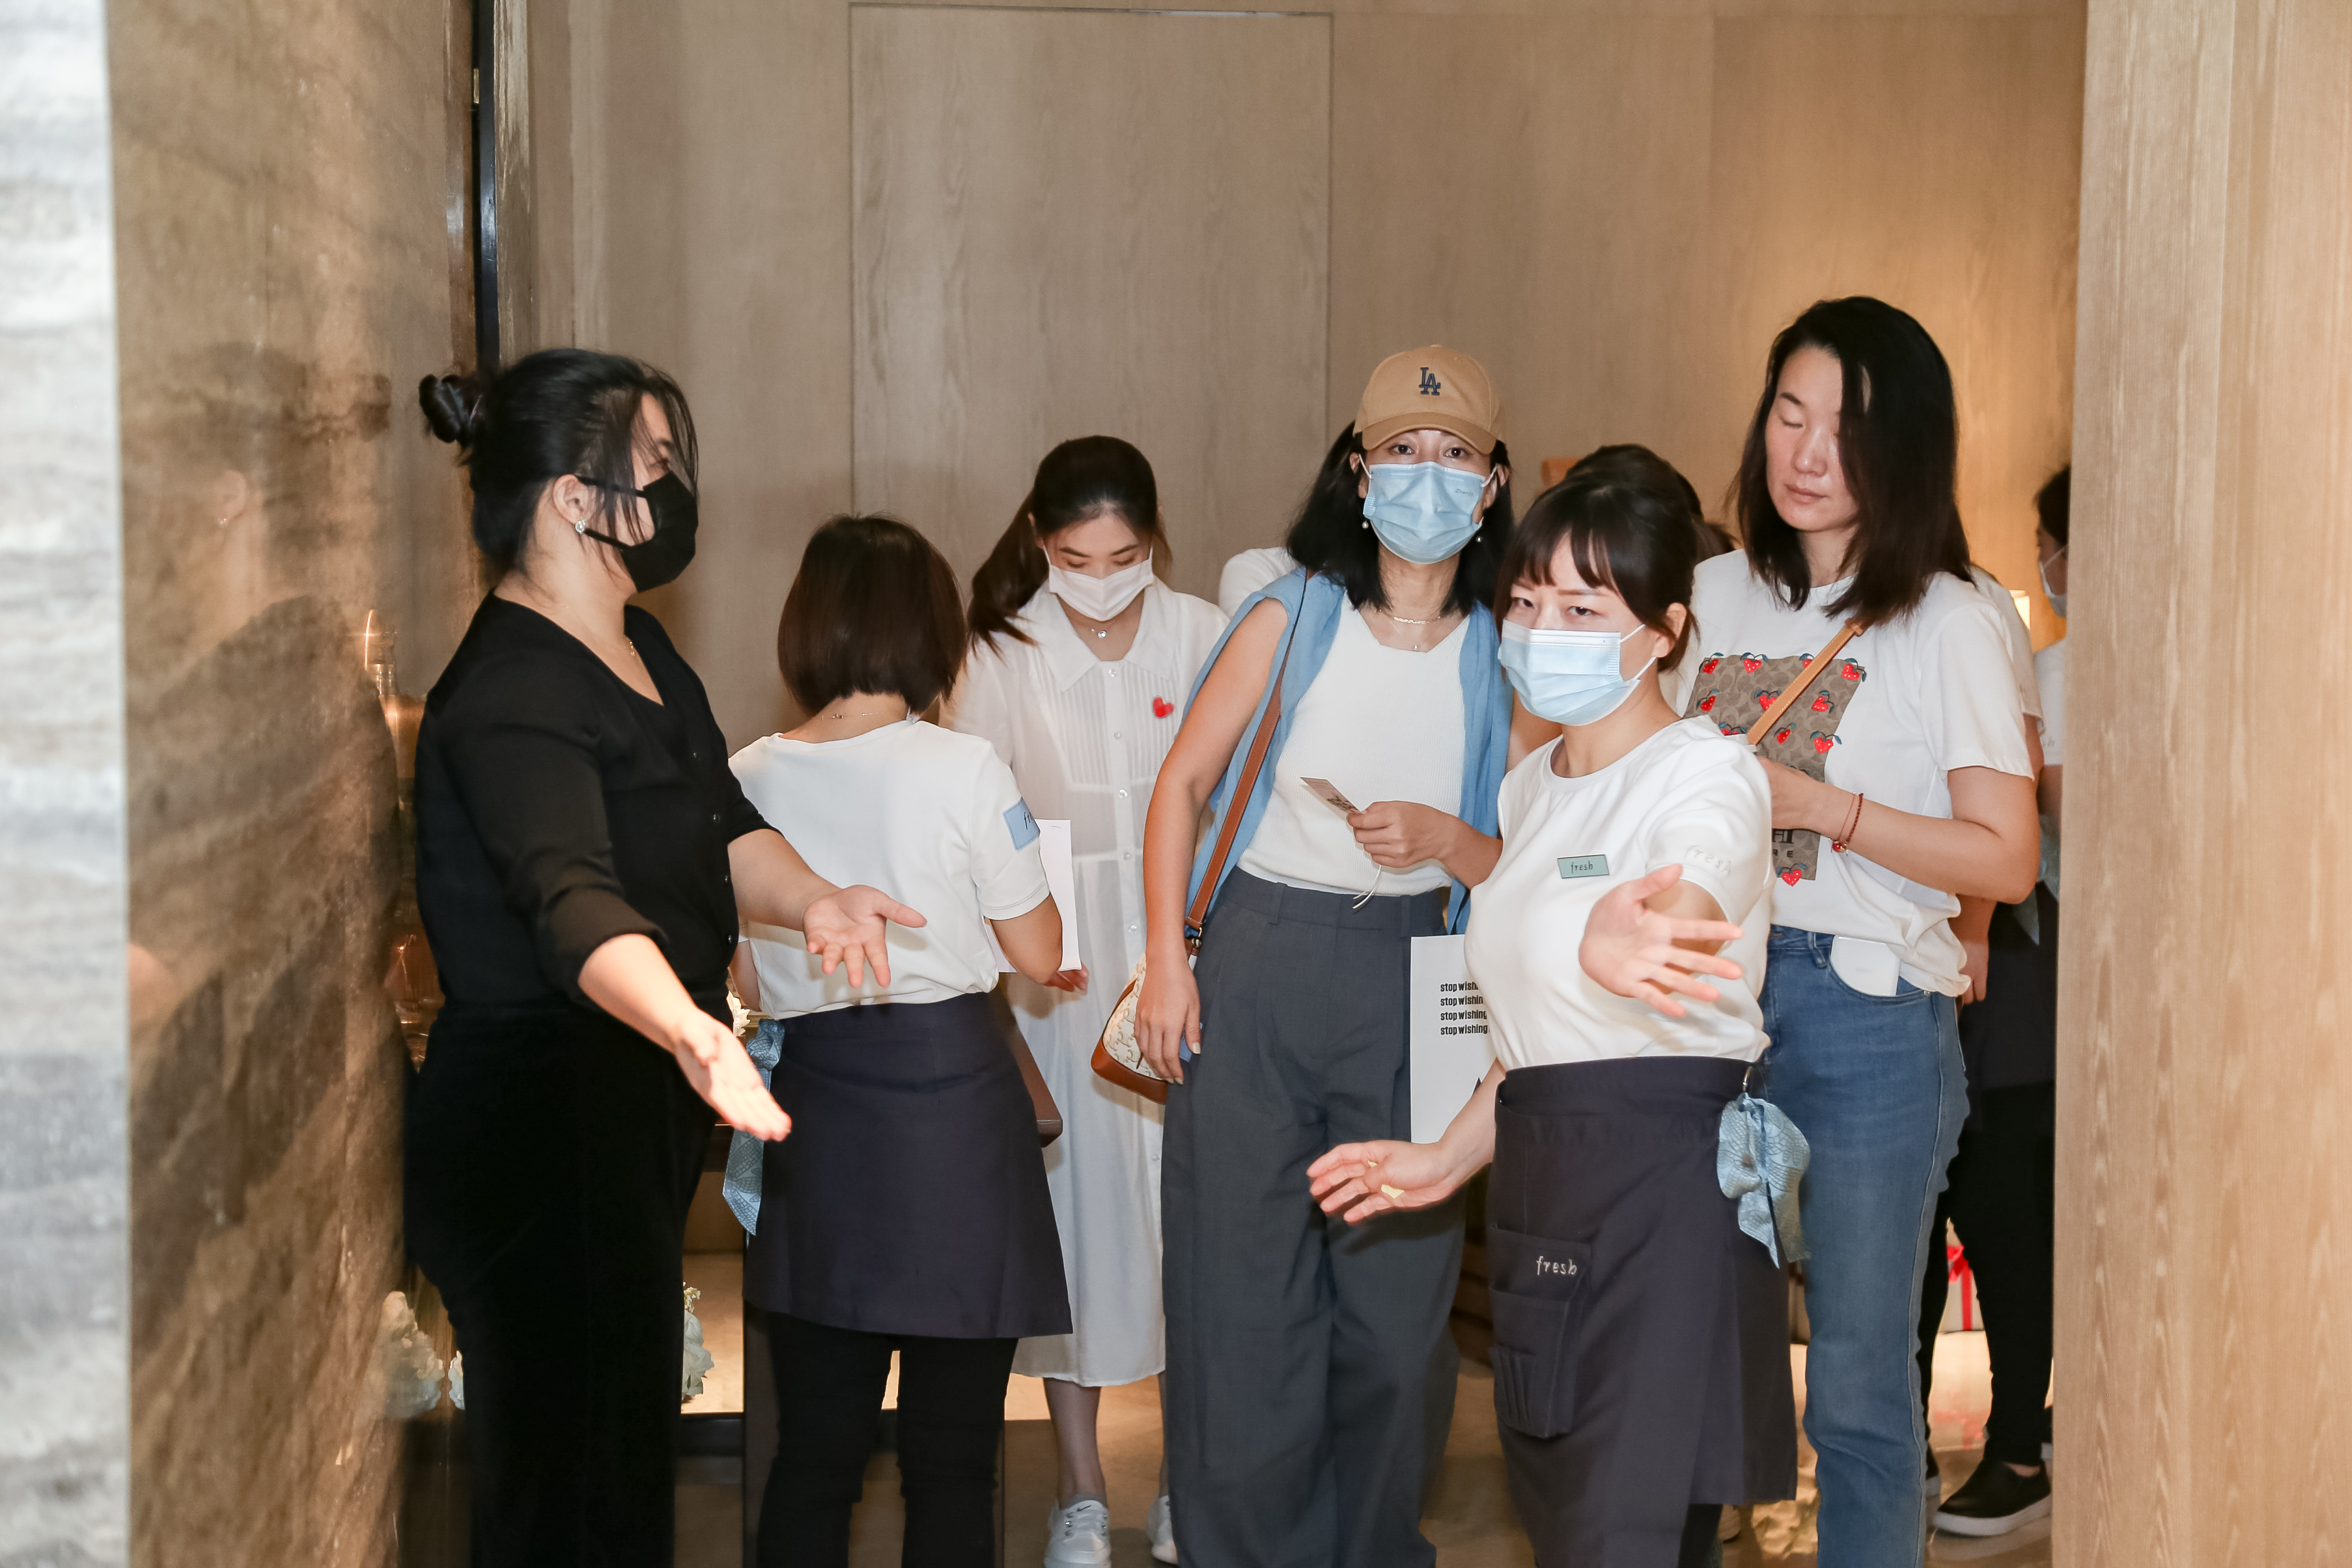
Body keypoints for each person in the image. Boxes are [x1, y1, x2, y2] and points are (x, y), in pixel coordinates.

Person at [405, 352, 916, 1567]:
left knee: (623, 1467)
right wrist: (691, 1029)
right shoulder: (513, 690)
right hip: (538, 1126)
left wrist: (819, 899)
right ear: (572, 499)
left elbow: (723, 824)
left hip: (621, 1111)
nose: (676, 487)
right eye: (654, 464)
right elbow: (572, 902)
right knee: (565, 1495)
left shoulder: (635, 645)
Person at [1309, 445, 1798, 1567]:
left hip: (1665, 1187)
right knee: (1575, 1516)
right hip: (1544, 1180)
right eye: (1528, 602)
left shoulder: (1707, 771)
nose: (1543, 630)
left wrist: (1632, 937)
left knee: (1621, 1531)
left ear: (1664, 631)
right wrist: (1444, 1160)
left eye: (1584, 609)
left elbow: (1685, 904)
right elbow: (1530, 1044)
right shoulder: (1530, 789)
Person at [1139, 345, 1542, 1568]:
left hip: (1428, 976)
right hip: (1258, 958)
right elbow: (1183, 785)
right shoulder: (1293, 613)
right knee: (1241, 1300)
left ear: (1493, 483)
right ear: (1357, 472)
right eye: (1402, 451)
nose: (1428, 474)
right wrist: (1168, 957)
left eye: (1455, 454)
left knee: (1396, 1324)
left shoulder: (1513, 649)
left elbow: (1528, 857)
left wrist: (1448, 840)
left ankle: (1371, 1548)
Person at [1669, 298, 2040, 1568]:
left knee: (1860, 1388)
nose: (1808, 453)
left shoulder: (1952, 618)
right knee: (1687, 1357)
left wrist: (1829, 809)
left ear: (1910, 449)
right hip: (1703, 995)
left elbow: (2007, 855)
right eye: (1790, 414)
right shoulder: (1705, 595)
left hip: (1868, 1011)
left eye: (1846, 429)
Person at [728, 514, 1072, 1567]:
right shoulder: (966, 767)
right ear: (935, 634)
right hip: (955, 1116)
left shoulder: (744, 775)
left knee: (813, 1453)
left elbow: (748, 979)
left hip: (818, 1111)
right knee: (954, 1461)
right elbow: (1039, 948)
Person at [949, 435, 1227, 1567]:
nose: (1102, 579)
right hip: (1059, 971)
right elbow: (974, 824)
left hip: (1185, 958)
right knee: (1079, 1227)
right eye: (1076, 558)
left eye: (1124, 556)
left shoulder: (1205, 634)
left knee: (1191, 1226)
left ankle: (1185, 1482)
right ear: (1039, 543)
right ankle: (1078, 1483)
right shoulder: (1000, 653)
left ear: (1155, 541)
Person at [1915, 465, 2068, 1537]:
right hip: (1895, 947)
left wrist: (1971, 924)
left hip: (1992, 957)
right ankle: (1907, 1449)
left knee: (2001, 1214)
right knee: (1908, 1228)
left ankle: (2019, 1444)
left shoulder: (1974, 608)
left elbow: (2017, 782)